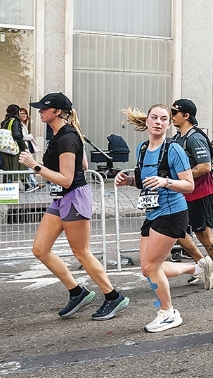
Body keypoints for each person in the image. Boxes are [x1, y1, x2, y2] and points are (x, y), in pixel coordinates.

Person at [18, 93, 130, 321]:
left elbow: (67, 179)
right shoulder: (61, 133)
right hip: (61, 198)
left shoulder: (67, 137)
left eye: (43, 108)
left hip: (73, 196)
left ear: (57, 111)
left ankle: (113, 296)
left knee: (81, 252)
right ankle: (77, 292)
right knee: (40, 248)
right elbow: (84, 164)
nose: (39, 111)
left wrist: (35, 165)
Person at [116, 104, 198, 333]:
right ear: (148, 121)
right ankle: (196, 268)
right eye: (155, 118)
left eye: (164, 119)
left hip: (172, 213)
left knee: (151, 266)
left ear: (169, 124)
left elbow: (189, 185)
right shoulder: (142, 149)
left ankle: (168, 312)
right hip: (152, 212)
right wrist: (129, 181)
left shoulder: (173, 150)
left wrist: (166, 182)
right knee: (148, 268)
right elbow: (143, 182)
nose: (159, 122)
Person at [170, 99, 213, 290]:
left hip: (202, 192)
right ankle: (204, 266)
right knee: (178, 232)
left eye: (174, 112)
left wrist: (180, 178)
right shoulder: (178, 138)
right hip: (186, 193)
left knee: (204, 236)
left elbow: (205, 166)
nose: (171, 115)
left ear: (186, 116)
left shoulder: (194, 138)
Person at [0, 104, 28, 182]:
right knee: (18, 166)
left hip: (5, 148)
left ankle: (7, 187)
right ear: (17, 112)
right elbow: (17, 135)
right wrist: (24, 146)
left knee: (7, 169)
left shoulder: (5, 122)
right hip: (13, 148)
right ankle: (26, 185)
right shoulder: (15, 121)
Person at [19, 107, 39, 192]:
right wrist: (30, 136)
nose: (24, 115)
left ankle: (32, 184)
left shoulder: (23, 124)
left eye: (25, 113)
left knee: (27, 166)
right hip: (23, 148)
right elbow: (22, 137)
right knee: (28, 166)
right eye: (22, 113)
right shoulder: (20, 124)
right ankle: (34, 183)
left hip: (24, 147)